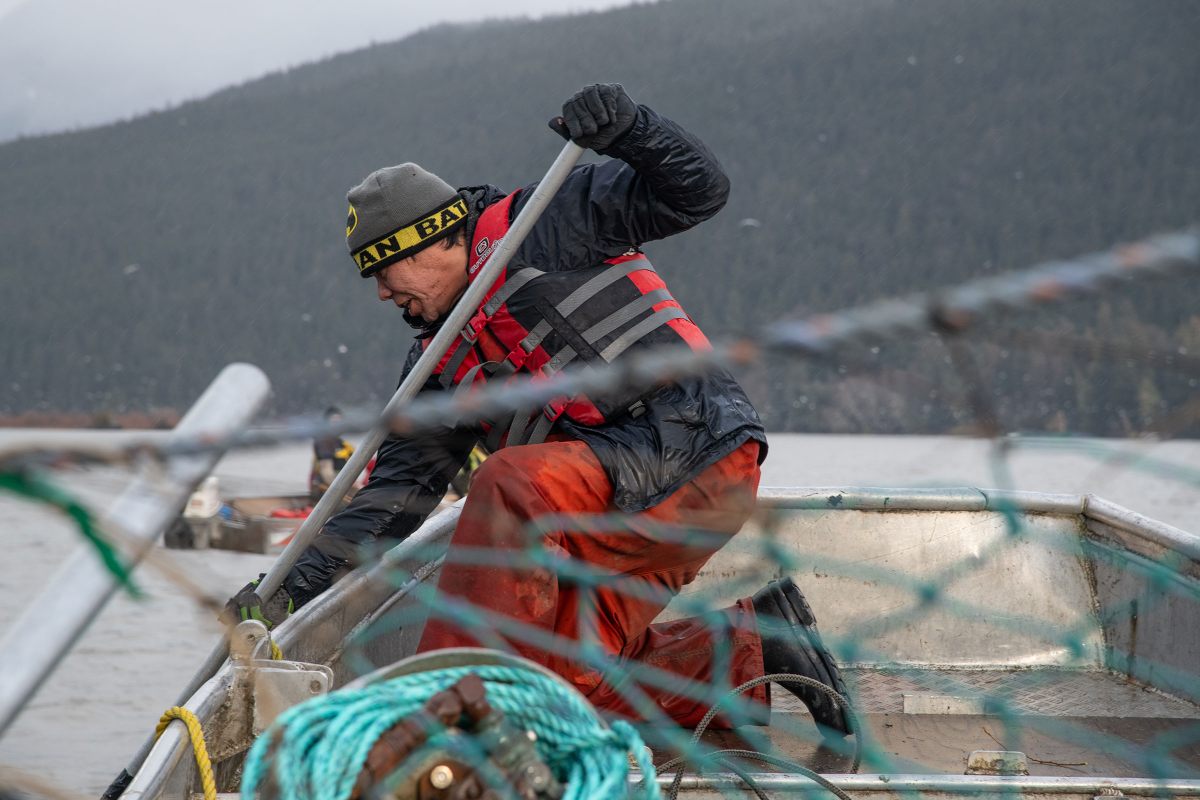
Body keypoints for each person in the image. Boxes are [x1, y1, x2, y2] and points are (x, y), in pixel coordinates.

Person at [231, 84, 851, 735]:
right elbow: (387, 505)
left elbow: (698, 190)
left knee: (505, 481)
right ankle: (759, 644)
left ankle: (448, 712)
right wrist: (283, 594)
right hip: (605, 509)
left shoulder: (550, 222)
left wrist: (631, 128)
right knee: (571, 687)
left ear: (431, 243)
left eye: (385, 273)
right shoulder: (438, 366)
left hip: (697, 458)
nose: (384, 295)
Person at [309, 406, 357, 503]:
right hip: (326, 490)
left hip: (342, 488)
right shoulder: (324, 442)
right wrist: (340, 491)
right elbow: (327, 472)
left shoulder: (342, 443)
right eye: (334, 422)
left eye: (339, 422)